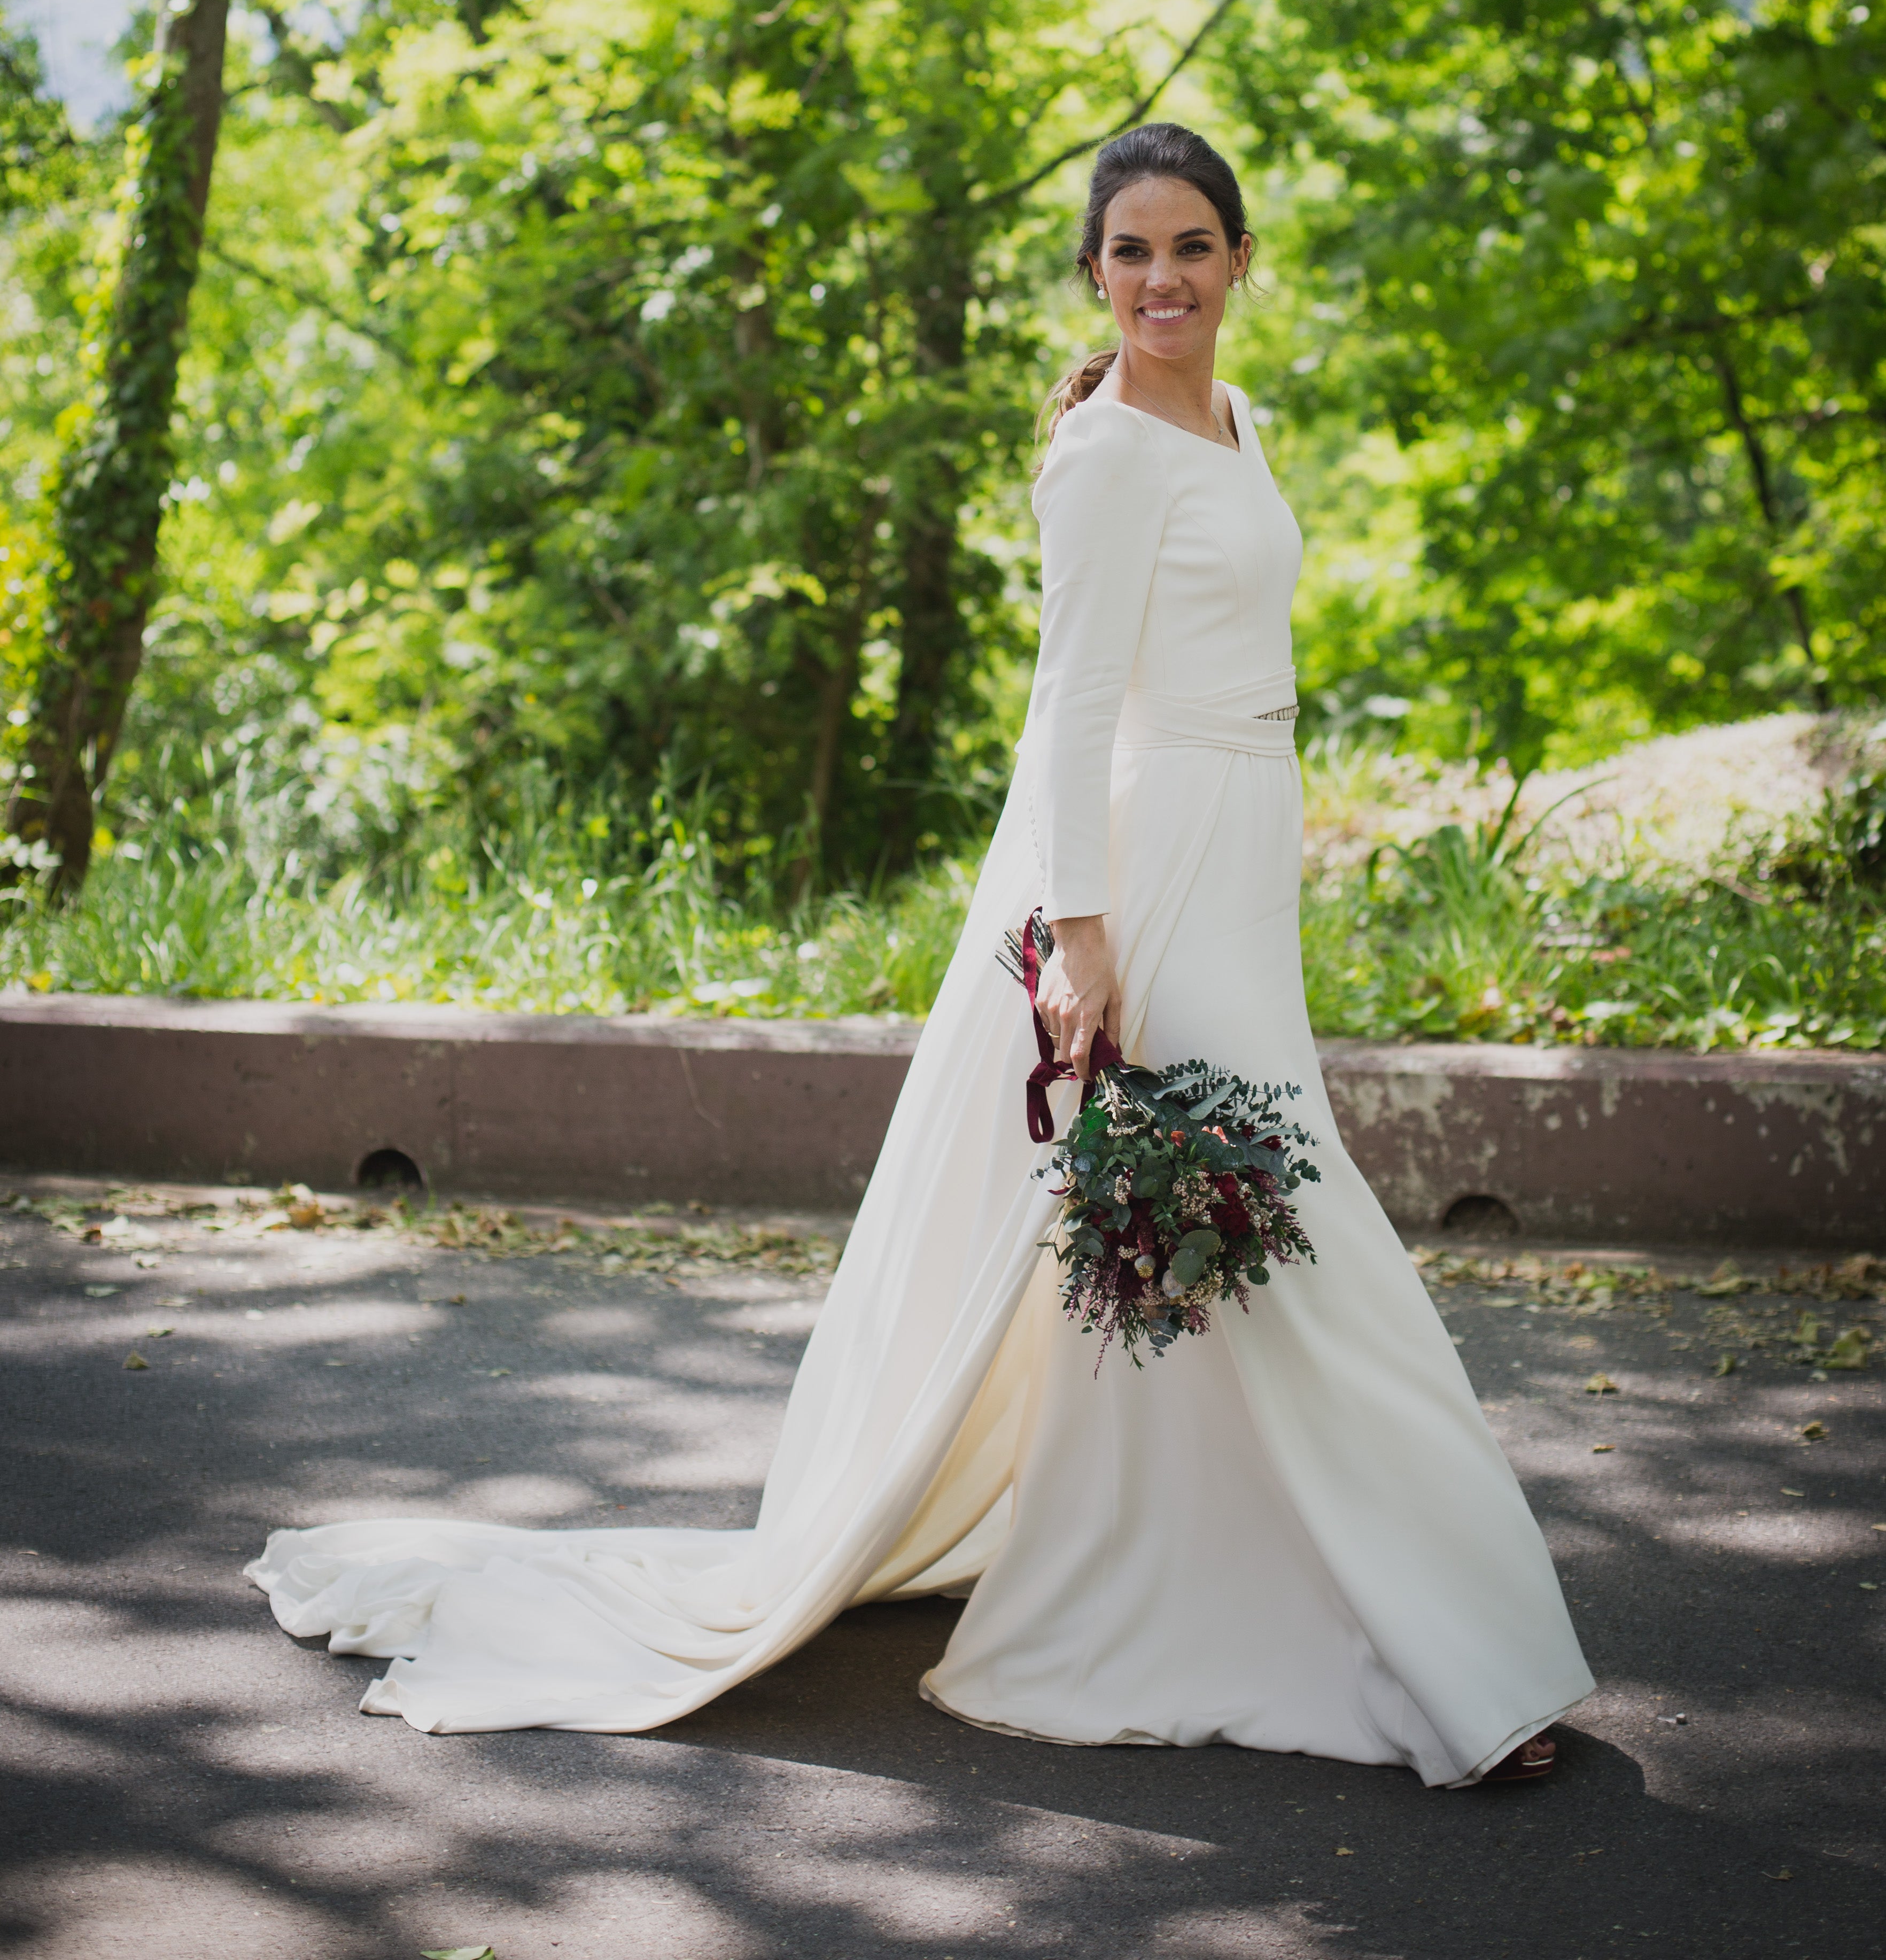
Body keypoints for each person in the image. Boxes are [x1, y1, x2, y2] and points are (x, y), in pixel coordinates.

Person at [250, 122, 1592, 1782]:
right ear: (1093, 275)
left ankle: (1203, 1586)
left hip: (1238, 858)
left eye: (1189, 247)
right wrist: (1078, 937)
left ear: (1243, 259)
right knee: (1277, 1222)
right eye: (1128, 253)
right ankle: (1454, 1659)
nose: (1160, 279)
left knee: (1205, 1239)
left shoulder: (1237, 423)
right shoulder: (1103, 452)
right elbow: (1074, 705)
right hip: (1150, 868)